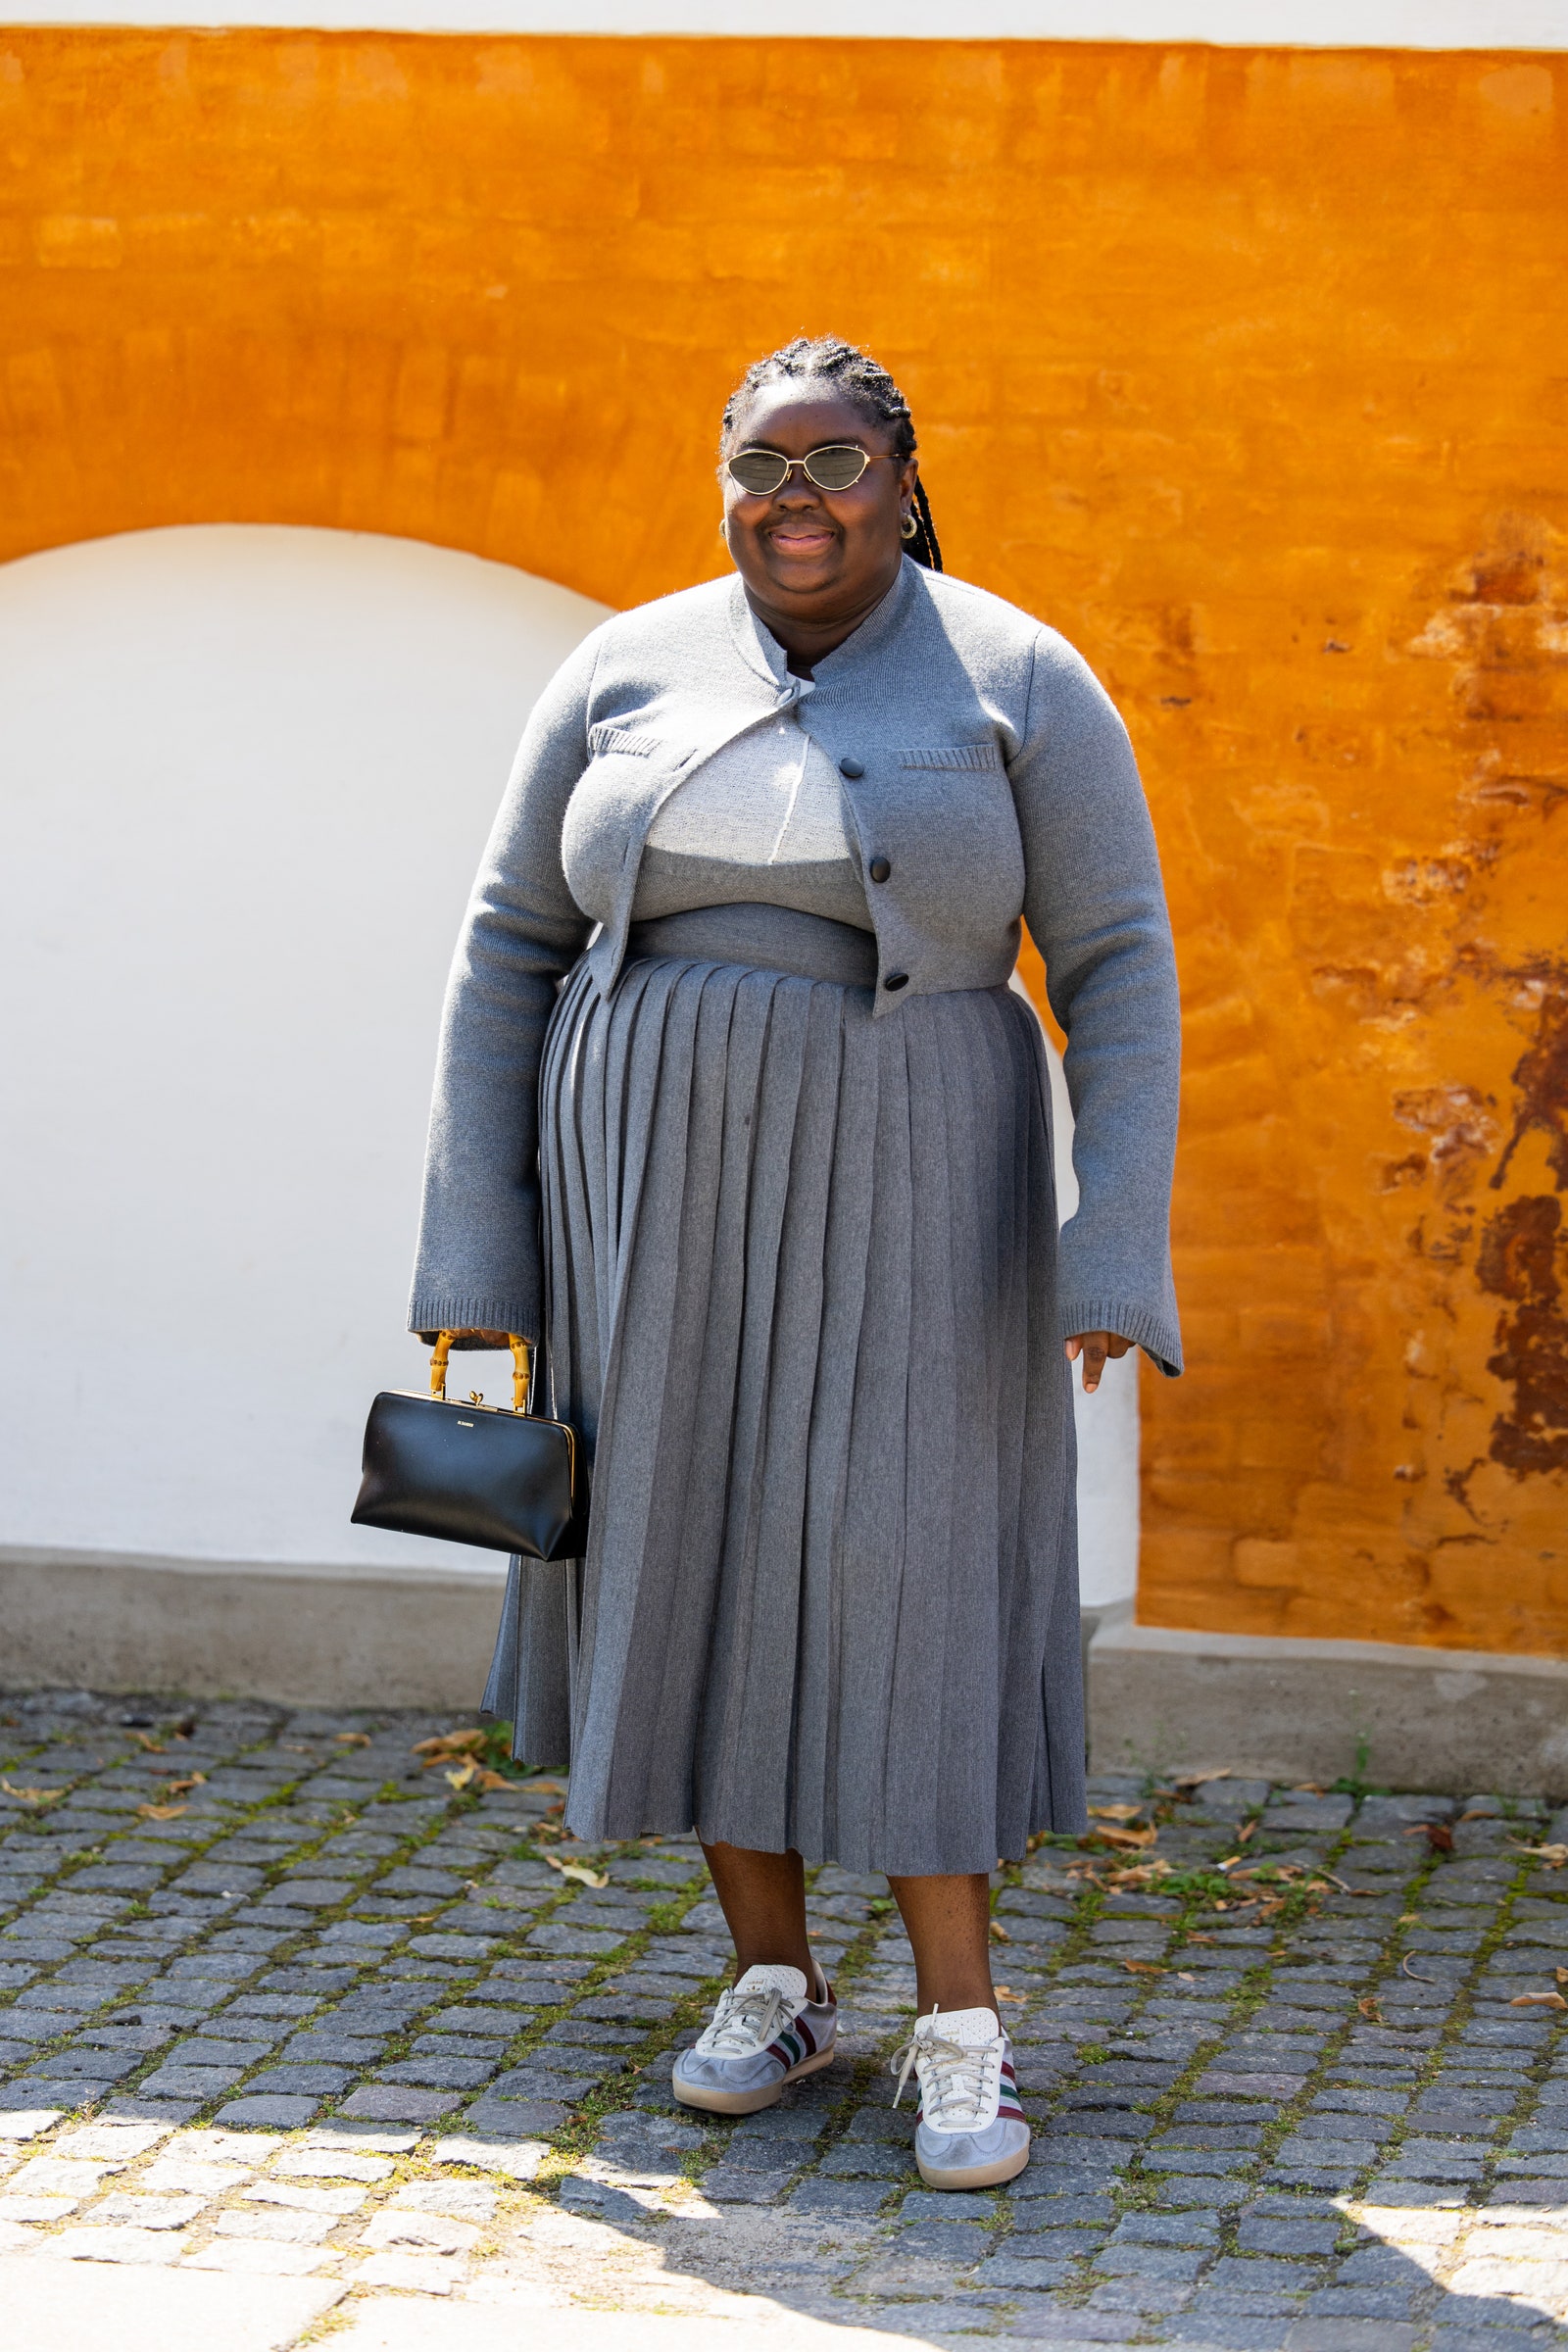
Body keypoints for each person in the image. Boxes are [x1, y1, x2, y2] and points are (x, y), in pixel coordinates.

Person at [409, 335, 1181, 2189]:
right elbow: (510, 942)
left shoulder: (1015, 676)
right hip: (644, 1185)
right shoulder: (622, 664)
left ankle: (965, 2030)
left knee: (907, 1568)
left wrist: (1116, 1244)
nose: (796, 500)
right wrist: (477, 1238)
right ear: (724, 480)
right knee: (686, 1554)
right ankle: (775, 1979)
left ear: (907, 478)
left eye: (836, 463)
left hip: (921, 1175)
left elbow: (1120, 968)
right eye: (762, 464)